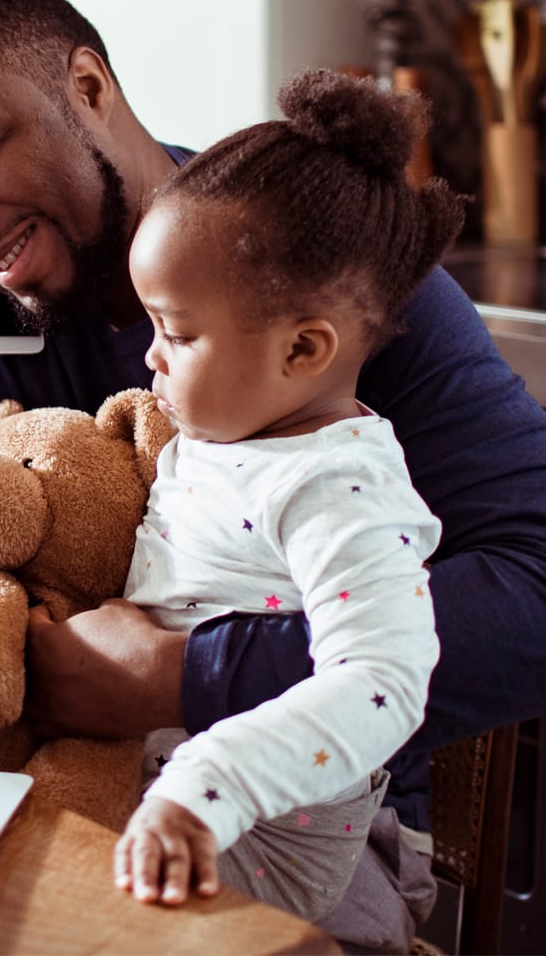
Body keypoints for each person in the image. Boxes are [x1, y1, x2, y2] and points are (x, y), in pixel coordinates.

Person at [0, 0, 546, 951]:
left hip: (283, 845)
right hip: (53, 796)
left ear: (85, 88)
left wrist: (187, 675)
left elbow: (533, 592)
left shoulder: (309, 276)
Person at [111, 68, 458, 924]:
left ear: (303, 351)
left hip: (265, 848)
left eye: (177, 333)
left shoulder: (337, 487)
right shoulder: (230, 437)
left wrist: (207, 783)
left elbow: (382, 678)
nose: (151, 358)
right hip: (153, 796)